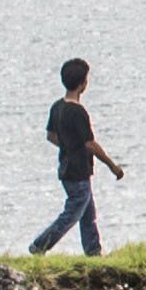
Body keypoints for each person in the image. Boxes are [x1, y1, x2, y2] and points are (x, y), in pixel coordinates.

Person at [30, 57, 125, 255]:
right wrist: (112, 165)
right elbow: (90, 144)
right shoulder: (78, 112)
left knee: (88, 214)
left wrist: (67, 145)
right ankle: (40, 245)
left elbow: (51, 136)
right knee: (72, 214)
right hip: (78, 171)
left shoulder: (57, 107)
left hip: (66, 168)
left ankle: (93, 251)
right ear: (83, 84)